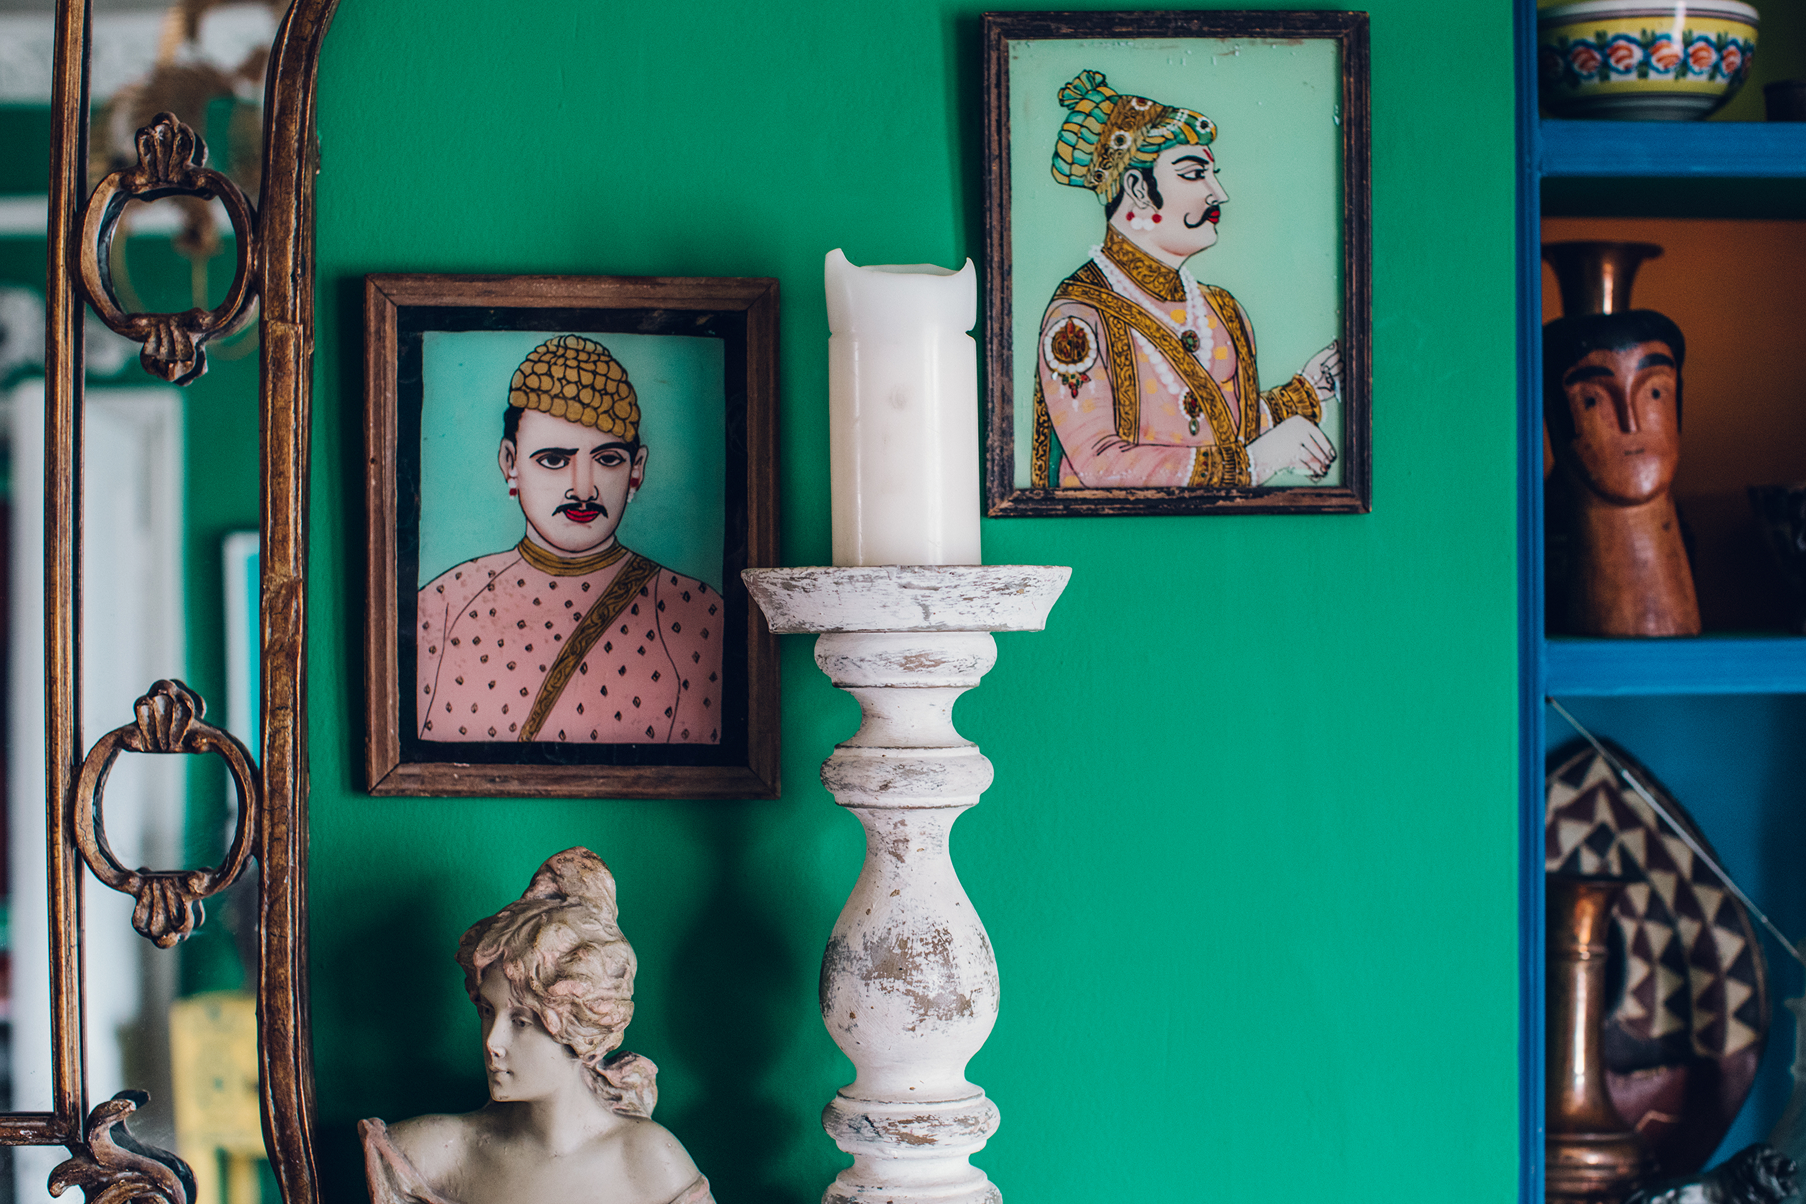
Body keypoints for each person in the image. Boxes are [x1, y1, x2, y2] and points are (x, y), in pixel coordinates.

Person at [1033, 70, 1342, 489]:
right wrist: (1255, 462)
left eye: (1212, 174)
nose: (1218, 193)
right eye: (1195, 174)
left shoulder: (1221, 309)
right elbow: (1099, 466)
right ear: (1138, 188)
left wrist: (1304, 394)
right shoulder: (1078, 319)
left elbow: (1219, 424)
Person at [360, 848, 713, 1204]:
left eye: (521, 1021)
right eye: (486, 1011)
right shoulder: (424, 1158)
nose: (492, 1042)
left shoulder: (653, 1164)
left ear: (580, 1029)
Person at [416, 335, 722, 745]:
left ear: (637, 470)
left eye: (608, 460)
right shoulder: (445, 603)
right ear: (511, 463)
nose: (583, 490)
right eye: (554, 461)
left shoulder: (695, 613)